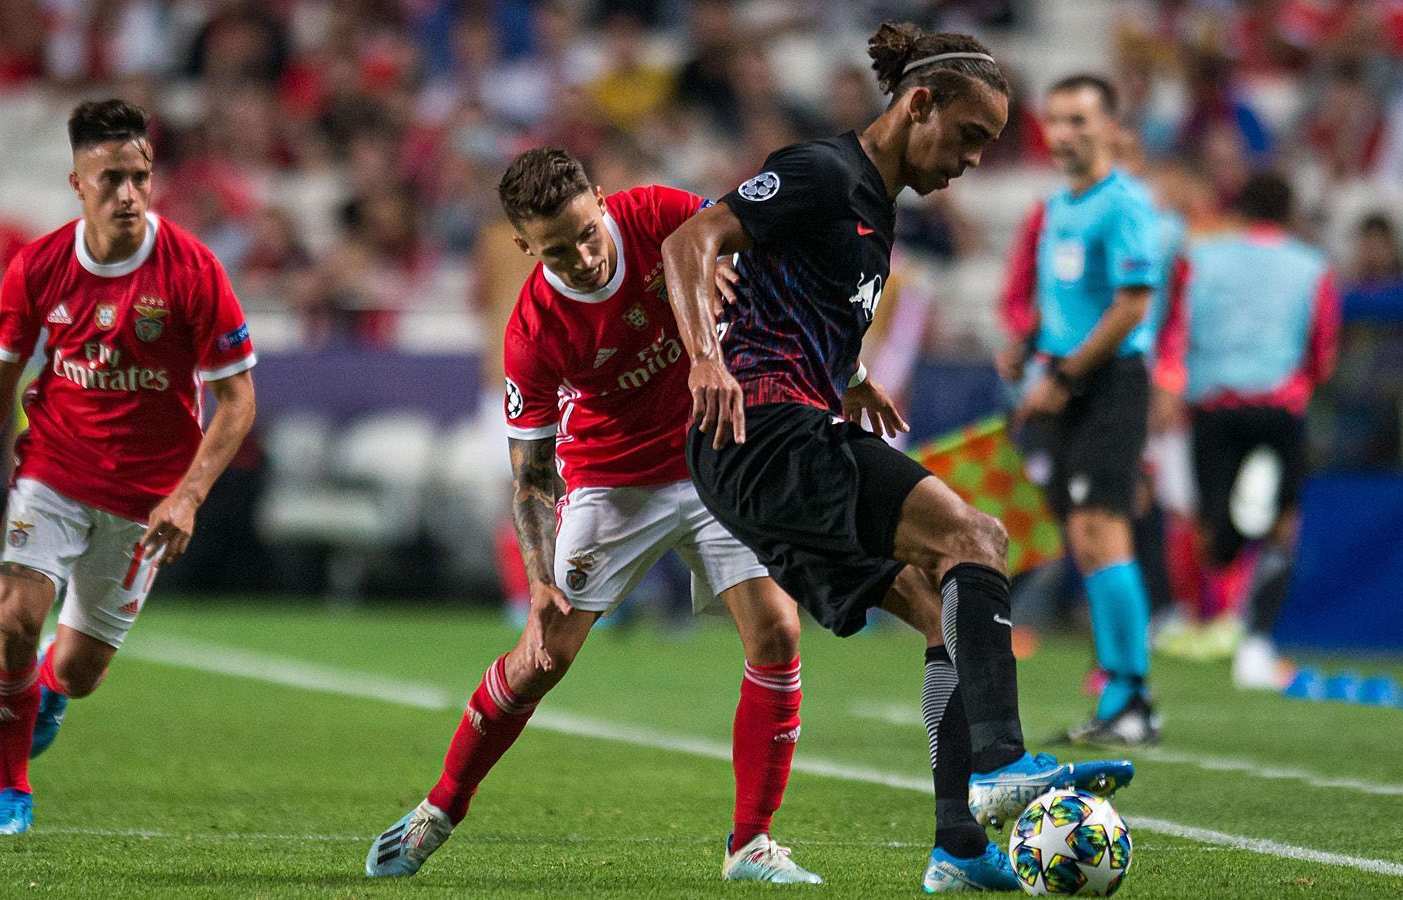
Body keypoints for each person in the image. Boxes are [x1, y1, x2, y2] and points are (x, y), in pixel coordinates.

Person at [661, 23, 1136, 892]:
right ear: (919, 103)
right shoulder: (822, 171)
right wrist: (703, 356)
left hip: (764, 447)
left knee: (937, 613)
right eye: (968, 137)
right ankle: (999, 764)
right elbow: (690, 242)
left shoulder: (875, 213)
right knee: (978, 539)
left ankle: (956, 846)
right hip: (763, 432)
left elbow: (794, 301)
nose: (973, 161)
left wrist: (850, 374)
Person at [364, 149, 821, 884]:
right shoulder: (533, 332)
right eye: (555, 249)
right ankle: (440, 808)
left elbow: (763, 246)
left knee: (777, 629)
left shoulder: (662, 215)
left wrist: (840, 364)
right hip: (614, 484)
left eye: (585, 233)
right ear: (523, 248)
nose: (581, 256)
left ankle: (750, 845)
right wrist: (541, 579)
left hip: (714, 457)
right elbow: (534, 477)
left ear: (603, 201)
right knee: (545, 656)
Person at [0, 99, 258, 835]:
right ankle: (11, 796)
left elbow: (236, 400)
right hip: (52, 473)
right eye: (110, 179)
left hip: (146, 500)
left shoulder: (194, 270)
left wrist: (189, 497)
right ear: (77, 183)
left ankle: (51, 686)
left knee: (77, 672)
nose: (129, 193)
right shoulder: (38, 267)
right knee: (13, 619)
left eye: (139, 176)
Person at [1006, 74, 1164, 746]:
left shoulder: (1123, 203)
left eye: (1078, 120)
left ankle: (1132, 696)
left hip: (1109, 383)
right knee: (1085, 537)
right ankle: (1120, 693)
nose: (1065, 133)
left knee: (1105, 530)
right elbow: (1067, 304)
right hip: (1066, 379)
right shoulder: (1059, 206)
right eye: (1056, 120)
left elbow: (1132, 304)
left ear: (1110, 126)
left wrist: (1064, 376)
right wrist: (1030, 344)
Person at [1153, 172, 1340, 690]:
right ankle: (1254, 639)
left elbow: (1176, 328)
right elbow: (1323, 346)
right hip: (1279, 408)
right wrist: (1303, 383)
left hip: (1213, 406)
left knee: (1212, 533)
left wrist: (1171, 386)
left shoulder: (1202, 257)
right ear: (1288, 213)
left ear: (1239, 210)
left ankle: (1200, 618)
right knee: (1282, 526)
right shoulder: (1313, 266)